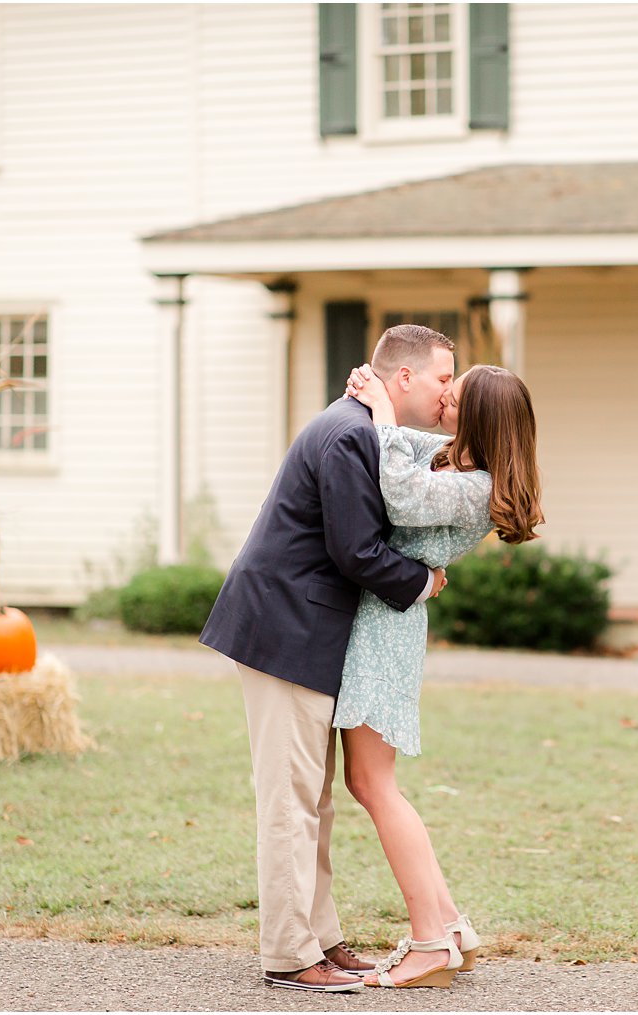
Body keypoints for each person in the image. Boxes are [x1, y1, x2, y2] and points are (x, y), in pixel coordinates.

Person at [199, 324, 455, 992]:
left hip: (303, 633)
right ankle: (289, 954)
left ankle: (322, 937)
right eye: (442, 379)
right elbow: (356, 549)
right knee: (290, 800)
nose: (448, 392)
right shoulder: (351, 435)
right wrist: (423, 581)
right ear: (403, 378)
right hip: (283, 629)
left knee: (313, 799)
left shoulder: (363, 428)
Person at [333, 359, 543, 989]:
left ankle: (430, 943)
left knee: (374, 783)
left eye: (455, 396)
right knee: (371, 780)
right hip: (386, 623)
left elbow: (398, 491)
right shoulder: (462, 462)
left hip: (384, 632)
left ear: (476, 419)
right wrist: (378, 401)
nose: (444, 399)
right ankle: (451, 924)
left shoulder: (472, 485)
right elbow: (404, 449)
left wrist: (383, 412)